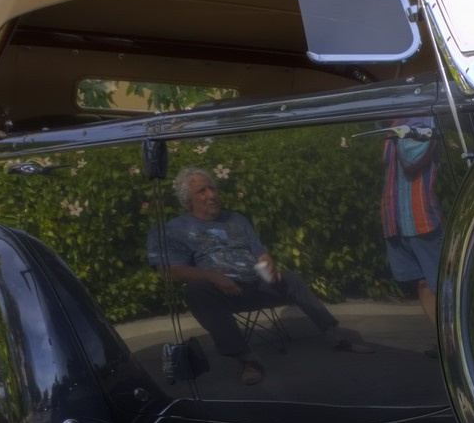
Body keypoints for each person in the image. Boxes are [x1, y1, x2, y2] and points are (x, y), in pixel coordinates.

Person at [155, 166, 371, 385]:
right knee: (195, 291)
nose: (211, 195)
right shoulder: (176, 228)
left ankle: (336, 336)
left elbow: (260, 252)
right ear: (188, 199)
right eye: (202, 191)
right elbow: (168, 270)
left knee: (292, 278)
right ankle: (247, 359)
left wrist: (268, 262)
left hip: (257, 284)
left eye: (212, 188)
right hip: (222, 291)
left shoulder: (236, 219)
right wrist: (213, 278)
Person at [380, 119, 443, 325]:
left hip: (423, 219)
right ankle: (443, 341)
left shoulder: (423, 120)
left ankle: (456, 343)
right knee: (422, 284)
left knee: (442, 286)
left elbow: (410, 158)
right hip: (396, 221)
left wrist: (397, 127)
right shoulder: (394, 123)